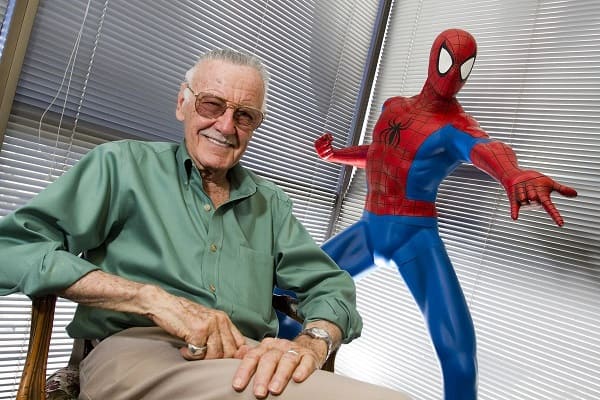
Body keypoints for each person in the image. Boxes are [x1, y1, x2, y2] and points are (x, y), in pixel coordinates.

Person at [0, 49, 412, 399]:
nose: (226, 126)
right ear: (182, 103)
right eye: (211, 105)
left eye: (244, 116)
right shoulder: (121, 165)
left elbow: (331, 285)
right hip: (137, 350)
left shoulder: (270, 204)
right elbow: (13, 250)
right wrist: (151, 299)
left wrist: (312, 342)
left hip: (243, 357)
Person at [314, 29, 577, 400]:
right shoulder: (393, 107)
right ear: (433, 57)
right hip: (368, 230)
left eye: (463, 66)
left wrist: (512, 174)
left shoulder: (456, 127)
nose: (453, 74)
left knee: (459, 357)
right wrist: (337, 155)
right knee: (289, 290)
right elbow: (382, 153)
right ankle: (284, 372)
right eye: (447, 61)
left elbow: (486, 148)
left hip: (414, 238)